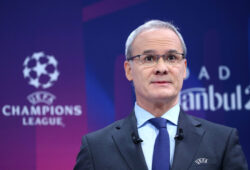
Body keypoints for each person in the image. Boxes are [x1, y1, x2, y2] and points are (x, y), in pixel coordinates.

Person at [74, 20, 248, 170]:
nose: (162, 68)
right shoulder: (96, 148)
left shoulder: (222, 141)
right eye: (149, 58)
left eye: (172, 57)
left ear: (184, 67)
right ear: (128, 70)